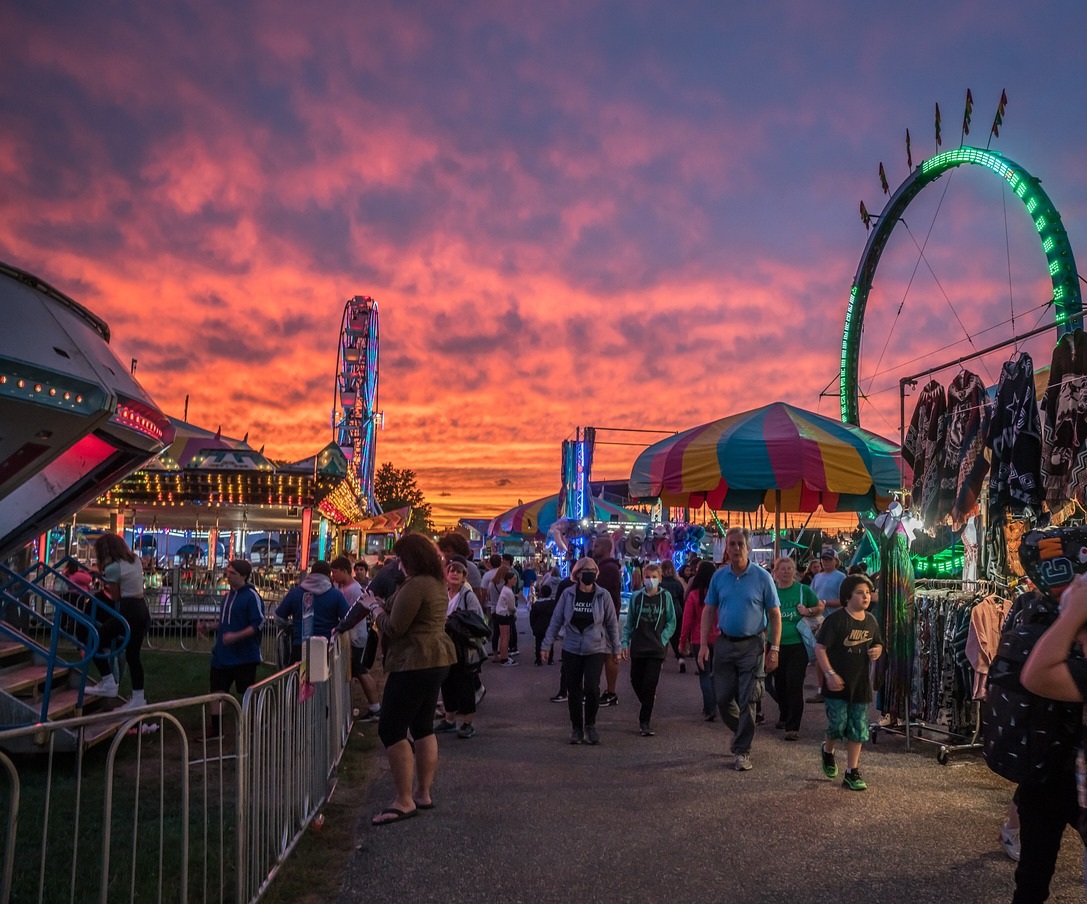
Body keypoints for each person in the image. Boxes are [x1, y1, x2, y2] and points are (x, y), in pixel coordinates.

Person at [368, 533, 457, 825]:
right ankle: (422, 793)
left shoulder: (416, 585)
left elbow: (395, 627)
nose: (397, 564)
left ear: (411, 559)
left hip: (414, 661)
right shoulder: (436, 583)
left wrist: (374, 609)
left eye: (400, 559)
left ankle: (403, 800)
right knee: (422, 726)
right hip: (437, 658)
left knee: (391, 728)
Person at [1018, 571, 1087, 902]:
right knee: (1032, 876)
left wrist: (1072, 613)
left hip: (1049, 771)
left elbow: (1037, 675)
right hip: (1052, 773)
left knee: (1032, 879)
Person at [697, 528, 782, 771]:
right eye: (731, 544)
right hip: (724, 644)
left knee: (749, 699)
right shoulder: (719, 577)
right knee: (722, 698)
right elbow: (708, 610)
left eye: (739, 544)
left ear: (748, 547)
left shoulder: (762, 577)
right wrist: (703, 645)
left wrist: (774, 648)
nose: (735, 548)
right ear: (726, 547)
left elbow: (774, 614)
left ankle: (743, 750)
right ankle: (742, 732)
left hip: (752, 646)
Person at [542, 556, 621, 745]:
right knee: (574, 689)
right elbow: (556, 620)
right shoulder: (568, 594)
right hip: (572, 647)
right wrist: (546, 644)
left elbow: (611, 623)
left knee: (592, 688)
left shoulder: (603, 596)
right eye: (585, 572)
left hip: (595, 648)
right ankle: (576, 728)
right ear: (577, 574)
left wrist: (616, 648)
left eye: (592, 572)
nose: (589, 575)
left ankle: (590, 725)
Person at [815, 574, 884, 791]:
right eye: (859, 593)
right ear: (847, 596)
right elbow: (820, 648)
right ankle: (828, 750)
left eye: (868, 593)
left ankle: (851, 771)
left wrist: (877, 650)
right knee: (837, 725)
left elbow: (878, 643)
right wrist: (829, 674)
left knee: (858, 728)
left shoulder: (871, 621)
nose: (865, 597)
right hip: (836, 685)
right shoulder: (836, 620)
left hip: (860, 684)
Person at [197, 559, 264, 740]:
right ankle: (216, 729)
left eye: (233, 573)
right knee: (216, 691)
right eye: (227, 572)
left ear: (244, 576)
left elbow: (258, 624)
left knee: (247, 692)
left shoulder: (252, 597)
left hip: (244, 656)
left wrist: (236, 636)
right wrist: (209, 627)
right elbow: (226, 622)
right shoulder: (227, 597)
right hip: (222, 655)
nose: (228, 576)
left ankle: (251, 726)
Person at [86, 532, 151, 707]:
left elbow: (115, 596)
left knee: (94, 639)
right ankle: (138, 697)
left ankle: (108, 681)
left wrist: (106, 580)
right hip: (141, 608)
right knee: (133, 655)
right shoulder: (135, 560)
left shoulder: (112, 568)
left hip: (128, 609)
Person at [621, 562, 677, 736]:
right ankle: (647, 700)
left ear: (660, 579)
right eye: (647, 577)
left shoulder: (665, 597)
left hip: (656, 648)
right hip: (639, 645)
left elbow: (671, 620)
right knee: (635, 680)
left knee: (650, 683)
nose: (650, 580)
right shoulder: (636, 597)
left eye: (654, 577)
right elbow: (630, 622)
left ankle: (644, 721)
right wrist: (625, 642)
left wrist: (663, 638)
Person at [768, 556, 819, 740]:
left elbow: (819, 606)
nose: (786, 571)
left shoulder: (803, 590)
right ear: (776, 572)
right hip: (775, 645)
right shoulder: (771, 591)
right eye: (782, 569)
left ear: (795, 571)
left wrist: (808, 611)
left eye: (790, 568)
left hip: (798, 645)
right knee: (780, 683)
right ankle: (784, 713)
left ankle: (793, 727)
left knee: (794, 684)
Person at [434, 557, 485, 739]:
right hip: (445, 646)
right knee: (447, 683)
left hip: (462, 648)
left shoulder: (467, 596)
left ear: (464, 576)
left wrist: (456, 621)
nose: (454, 574)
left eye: (459, 572)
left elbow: (477, 619)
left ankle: (468, 723)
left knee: (465, 685)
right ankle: (449, 720)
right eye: (451, 571)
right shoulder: (443, 593)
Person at [332, 556, 381, 722]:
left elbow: (356, 613)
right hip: (353, 635)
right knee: (356, 671)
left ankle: (375, 707)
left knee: (361, 671)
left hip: (356, 637)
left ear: (344, 571)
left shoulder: (353, 590)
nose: (333, 576)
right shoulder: (346, 588)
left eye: (335, 572)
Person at [274, 560, 349, 664]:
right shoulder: (336, 595)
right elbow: (347, 619)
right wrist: (337, 630)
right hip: (326, 647)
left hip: (300, 646)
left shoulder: (295, 594)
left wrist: (290, 626)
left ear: (311, 573)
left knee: (299, 673)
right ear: (328, 575)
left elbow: (278, 618)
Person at [680, 561, 720, 720]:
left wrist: (682, 641)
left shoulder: (694, 595)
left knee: (704, 674)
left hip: (698, 639)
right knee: (715, 674)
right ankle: (714, 704)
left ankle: (709, 708)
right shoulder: (719, 594)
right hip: (719, 638)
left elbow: (687, 620)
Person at [592, 536, 624, 706]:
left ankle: (611, 693)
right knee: (603, 654)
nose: (593, 548)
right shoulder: (606, 567)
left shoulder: (608, 569)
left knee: (609, 655)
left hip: (606, 618)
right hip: (603, 617)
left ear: (605, 548)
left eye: (596, 546)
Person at [660, 560, 687, 673]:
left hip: (662, 611)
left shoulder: (659, 584)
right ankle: (681, 659)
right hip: (676, 611)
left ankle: (660, 661)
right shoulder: (678, 584)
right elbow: (681, 600)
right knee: (676, 638)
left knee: (662, 636)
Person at [493, 569, 519, 666]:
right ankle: (504, 659)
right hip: (505, 615)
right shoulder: (508, 592)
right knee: (505, 637)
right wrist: (515, 612)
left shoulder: (505, 589)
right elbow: (511, 607)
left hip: (500, 614)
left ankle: (504, 655)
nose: (515, 581)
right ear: (508, 580)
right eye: (514, 579)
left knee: (504, 636)